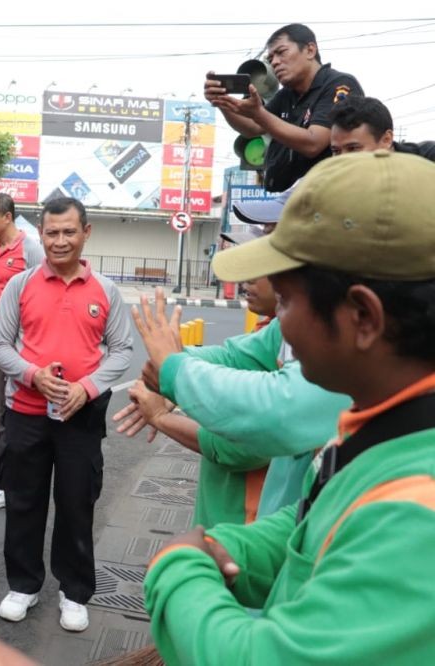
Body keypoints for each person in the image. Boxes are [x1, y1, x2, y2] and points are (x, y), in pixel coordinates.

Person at [145, 150, 435, 664]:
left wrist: (179, 566)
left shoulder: (416, 518)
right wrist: (232, 550)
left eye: (285, 303)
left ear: (363, 316)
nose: (278, 328)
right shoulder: (382, 427)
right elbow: (316, 527)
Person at [0, 197, 133, 633]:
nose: (59, 241)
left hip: (80, 418)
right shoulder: (22, 285)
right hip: (26, 414)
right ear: (42, 235)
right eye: (51, 233)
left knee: (76, 504)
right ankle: (24, 585)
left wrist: (85, 388)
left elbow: (123, 349)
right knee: (23, 501)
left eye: (69, 232)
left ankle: (74, 593)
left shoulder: (105, 291)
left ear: (86, 233)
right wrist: (33, 375)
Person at [114, 227, 274, 529]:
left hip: (248, 528)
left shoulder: (296, 344)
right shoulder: (270, 331)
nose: (249, 276)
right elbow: (228, 357)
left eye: (267, 260)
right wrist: (170, 372)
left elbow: (241, 447)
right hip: (226, 519)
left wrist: (161, 412)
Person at [205, 23, 363, 192]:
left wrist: (258, 113)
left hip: (326, 196)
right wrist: (222, 103)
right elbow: (252, 128)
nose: (275, 62)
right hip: (286, 199)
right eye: (270, 58)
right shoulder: (286, 95)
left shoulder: (338, 85)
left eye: (281, 52)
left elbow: (313, 143)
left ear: (310, 50)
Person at [0, 193, 44, 510]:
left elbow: (44, 290)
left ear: (8, 216)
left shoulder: (30, 249)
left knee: (6, 414)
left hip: (12, 348)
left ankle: (5, 484)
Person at [330, 95, 435, 160]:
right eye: (336, 151)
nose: (341, 159)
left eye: (352, 148)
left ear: (386, 140)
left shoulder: (428, 160)